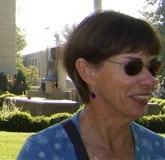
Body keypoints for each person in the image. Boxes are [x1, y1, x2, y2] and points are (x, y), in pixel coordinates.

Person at [17, 10, 165, 159]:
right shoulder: (44, 153)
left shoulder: (159, 150)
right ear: (87, 71)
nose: (151, 80)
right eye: (133, 67)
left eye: (153, 68)